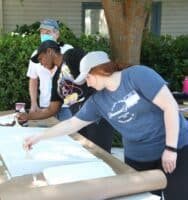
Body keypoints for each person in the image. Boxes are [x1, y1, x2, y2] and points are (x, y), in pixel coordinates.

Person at [24, 51, 188, 200]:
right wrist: (39, 137)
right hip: (139, 155)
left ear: (98, 70)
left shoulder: (138, 75)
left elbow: (170, 106)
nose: (87, 84)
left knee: (178, 194)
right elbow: (71, 124)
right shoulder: (98, 101)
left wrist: (171, 148)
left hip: (176, 145)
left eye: (87, 77)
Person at [19, 41, 113, 152]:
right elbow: (51, 109)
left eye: (40, 59)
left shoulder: (71, 55)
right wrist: (28, 116)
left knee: (102, 155)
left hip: (97, 118)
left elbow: (96, 72)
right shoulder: (55, 79)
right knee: (87, 156)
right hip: (78, 122)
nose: (41, 63)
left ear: (49, 51)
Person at [27, 19, 73, 121]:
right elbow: (33, 80)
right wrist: (34, 103)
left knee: (70, 136)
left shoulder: (68, 50)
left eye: (47, 32)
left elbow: (75, 75)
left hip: (67, 106)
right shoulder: (36, 54)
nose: (44, 35)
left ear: (57, 33)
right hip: (45, 106)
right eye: (42, 32)